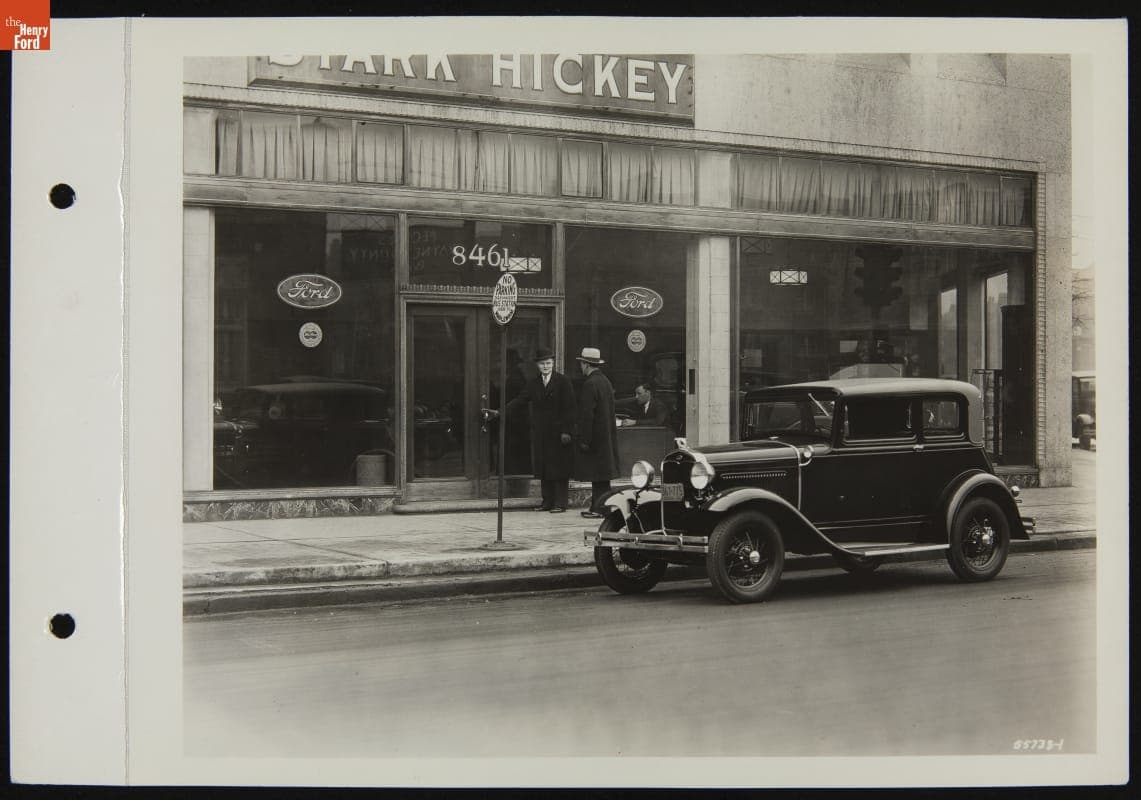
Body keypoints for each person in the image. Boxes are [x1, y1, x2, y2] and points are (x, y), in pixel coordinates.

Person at [487, 347, 576, 512]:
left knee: (559, 468)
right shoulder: (534, 383)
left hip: (559, 434)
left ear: (553, 363)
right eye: (543, 364)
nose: (546, 366)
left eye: (549, 363)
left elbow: (570, 408)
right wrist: (500, 412)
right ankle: (547, 502)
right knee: (544, 468)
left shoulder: (563, 382)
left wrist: (567, 431)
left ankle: (560, 503)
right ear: (537, 365)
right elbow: (520, 400)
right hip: (542, 433)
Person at [573, 347, 620, 519]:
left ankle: (599, 509)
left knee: (597, 475)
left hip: (595, 438)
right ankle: (600, 507)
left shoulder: (590, 384)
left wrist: (584, 439)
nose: (580, 367)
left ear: (585, 364)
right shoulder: (605, 381)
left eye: (581, 363)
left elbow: (587, 414)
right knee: (602, 477)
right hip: (604, 436)